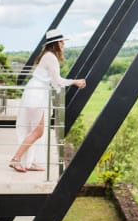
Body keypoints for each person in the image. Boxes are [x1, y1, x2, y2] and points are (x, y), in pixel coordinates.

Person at [9, 29, 86, 172]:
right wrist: (75, 82)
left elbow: (52, 81)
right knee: (37, 131)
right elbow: (58, 80)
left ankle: (29, 162)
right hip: (37, 95)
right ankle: (16, 159)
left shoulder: (47, 55)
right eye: (62, 41)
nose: (63, 44)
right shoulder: (51, 57)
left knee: (33, 130)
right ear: (56, 43)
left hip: (35, 92)